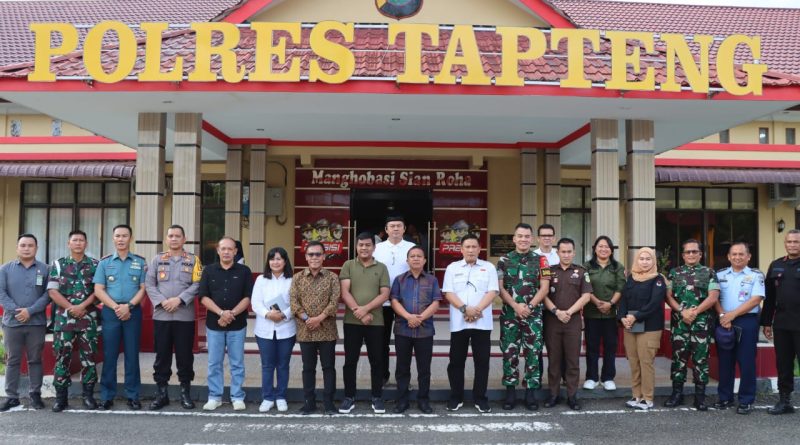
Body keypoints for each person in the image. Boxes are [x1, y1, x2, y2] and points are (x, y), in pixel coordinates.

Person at [144, 224, 202, 410]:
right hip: (162, 315)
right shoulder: (157, 259)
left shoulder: (193, 260)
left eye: (178, 236)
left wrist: (179, 299)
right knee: (162, 356)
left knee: (185, 357)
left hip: (184, 315)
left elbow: (198, 283)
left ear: (184, 239)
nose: (174, 239)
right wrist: (163, 301)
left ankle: (185, 393)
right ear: (166, 239)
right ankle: (162, 394)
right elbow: (149, 284)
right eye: (171, 236)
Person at [497, 222, 550, 411]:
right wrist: (515, 306)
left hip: (533, 315)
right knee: (509, 353)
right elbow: (500, 288)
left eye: (527, 236)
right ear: (514, 238)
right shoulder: (504, 260)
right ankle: (510, 392)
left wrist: (528, 306)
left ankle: (530, 393)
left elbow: (544, 287)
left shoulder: (542, 260)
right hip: (510, 315)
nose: (523, 239)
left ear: (532, 239)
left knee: (533, 353)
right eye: (520, 236)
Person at [443, 233, 499, 413]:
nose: (471, 250)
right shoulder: (452, 268)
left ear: (479, 249)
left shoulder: (489, 267)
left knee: (482, 362)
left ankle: (480, 398)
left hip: (482, 324)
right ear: (461, 249)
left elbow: (492, 292)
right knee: (456, 362)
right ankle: (456, 396)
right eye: (467, 247)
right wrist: (464, 309)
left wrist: (476, 311)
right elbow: (448, 293)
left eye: (474, 247)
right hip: (459, 323)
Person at [93, 224, 147, 410]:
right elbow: (98, 290)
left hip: (133, 312)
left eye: (125, 235)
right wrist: (117, 307)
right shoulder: (104, 263)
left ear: (130, 238)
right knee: (110, 355)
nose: (121, 239)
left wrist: (129, 306)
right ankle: (107, 396)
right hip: (111, 312)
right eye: (118, 236)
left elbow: (143, 289)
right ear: (113, 238)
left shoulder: (140, 262)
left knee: (132, 355)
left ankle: (133, 395)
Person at [663, 239, 719, 411]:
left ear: (700, 254)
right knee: (679, 359)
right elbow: (668, 296)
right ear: (683, 255)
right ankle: (677, 394)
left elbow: (713, 296)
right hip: (679, 324)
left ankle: (700, 397)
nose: (691, 255)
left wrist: (695, 312)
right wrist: (682, 311)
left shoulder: (709, 272)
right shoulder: (674, 272)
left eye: (695, 252)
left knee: (700, 360)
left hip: (701, 325)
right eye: (688, 252)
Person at [198, 237, 253, 411]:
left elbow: (247, 297)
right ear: (218, 250)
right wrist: (221, 313)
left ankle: (237, 396)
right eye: (223, 249)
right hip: (214, 325)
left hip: (237, 325)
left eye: (230, 249)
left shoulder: (244, 271)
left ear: (236, 251)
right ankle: (215, 396)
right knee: (214, 363)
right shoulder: (208, 271)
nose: (227, 252)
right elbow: (203, 297)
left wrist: (231, 314)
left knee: (237, 363)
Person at [48, 230, 100, 412]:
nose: (78, 243)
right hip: (64, 321)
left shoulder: (95, 265)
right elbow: (53, 291)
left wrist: (82, 307)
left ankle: (88, 396)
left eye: (81, 240)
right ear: (68, 244)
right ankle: (61, 398)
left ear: (86, 244)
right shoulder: (58, 265)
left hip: (88, 320)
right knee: (62, 358)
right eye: (74, 240)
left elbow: (98, 291)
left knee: (89, 358)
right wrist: (71, 308)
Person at [339, 232, 390, 414]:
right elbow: (344, 292)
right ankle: (349, 397)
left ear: (374, 247)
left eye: (368, 245)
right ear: (356, 246)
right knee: (350, 361)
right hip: (352, 322)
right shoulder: (348, 265)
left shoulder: (382, 268)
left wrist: (366, 310)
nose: (364, 248)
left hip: (375, 322)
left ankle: (377, 397)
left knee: (376, 361)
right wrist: (359, 313)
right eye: (361, 245)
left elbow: (384, 294)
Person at [290, 241, 340, 415]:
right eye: (311, 254)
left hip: (327, 330)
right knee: (308, 368)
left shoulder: (332, 277)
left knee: (328, 367)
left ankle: (329, 403)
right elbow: (294, 303)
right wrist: (307, 319)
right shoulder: (297, 278)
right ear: (306, 257)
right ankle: (309, 402)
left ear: (324, 256)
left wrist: (319, 318)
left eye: (318, 254)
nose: (314, 258)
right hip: (305, 330)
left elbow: (334, 302)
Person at [714, 241, 765, 415]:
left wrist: (732, 315)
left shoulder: (756, 275)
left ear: (748, 256)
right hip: (724, 322)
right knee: (725, 362)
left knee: (747, 361)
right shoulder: (719, 275)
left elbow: (756, 299)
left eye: (741, 254)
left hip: (747, 322)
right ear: (728, 256)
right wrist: (723, 316)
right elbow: (715, 298)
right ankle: (725, 397)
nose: (737, 257)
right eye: (734, 254)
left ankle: (746, 400)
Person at [390, 245, 442, 414]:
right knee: (402, 368)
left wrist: (420, 318)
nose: (416, 258)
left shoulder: (432, 280)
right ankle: (402, 400)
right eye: (412, 256)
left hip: (425, 330)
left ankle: (423, 400)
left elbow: (436, 302)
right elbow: (394, 301)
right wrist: (408, 317)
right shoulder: (399, 279)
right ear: (407, 260)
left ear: (424, 260)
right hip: (402, 330)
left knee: (424, 369)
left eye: (419, 256)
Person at [0, 234, 49, 411]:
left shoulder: (45, 269)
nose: (26, 248)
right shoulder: (5, 269)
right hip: (12, 323)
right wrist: (16, 311)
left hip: (36, 323)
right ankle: (12, 396)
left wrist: (30, 311)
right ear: (17, 248)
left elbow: (48, 295)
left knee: (35, 359)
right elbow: (1, 293)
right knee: (12, 359)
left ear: (36, 248)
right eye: (23, 245)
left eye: (30, 245)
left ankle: (35, 394)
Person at [543, 238, 592, 411]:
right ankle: (553, 394)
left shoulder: (581, 271)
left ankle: (572, 396)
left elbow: (586, 296)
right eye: (563, 251)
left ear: (574, 252)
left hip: (573, 322)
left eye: (569, 251)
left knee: (572, 360)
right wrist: (557, 311)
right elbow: (543, 294)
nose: (566, 254)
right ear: (557, 253)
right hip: (552, 321)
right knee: (554, 359)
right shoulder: (549, 271)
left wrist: (569, 312)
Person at [618, 247, 666, 411]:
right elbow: (623, 299)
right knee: (634, 362)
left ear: (653, 261)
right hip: (630, 326)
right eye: (641, 258)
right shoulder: (631, 278)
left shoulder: (658, 279)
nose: (644, 262)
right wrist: (622, 317)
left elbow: (654, 303)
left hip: (650, 327)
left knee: (646, 362)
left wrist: (636, 316)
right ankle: (636, 395)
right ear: (636, 260)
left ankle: (647, 398)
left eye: (648, 259)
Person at [373, 215, 416, 386]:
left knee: (404, 343)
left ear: (404, 229)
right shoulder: (377, 248)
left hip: (405, 302)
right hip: (382, 302)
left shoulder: (412, 247)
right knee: (381, 341)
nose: (396, 229)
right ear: (386, 229)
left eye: (399, 226)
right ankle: (383, 376)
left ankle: (403, 379)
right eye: (392, 226)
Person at [251, 247, 295, 413]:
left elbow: (296, 302)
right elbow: (255, 303)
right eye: (272, 259)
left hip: (286, 329)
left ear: (285, 261)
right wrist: (268, 314)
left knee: (283, 364)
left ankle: (281, 396)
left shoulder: (292, 280)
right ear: (268, 262)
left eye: (279, 259)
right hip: (265, 330)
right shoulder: (261, 280)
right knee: (267, 365)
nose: (275, 262)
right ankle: (268, 397)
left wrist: (283, 315)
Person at [762, 229, 800, 415]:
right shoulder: (776, 265)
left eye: (796, 242)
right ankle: (784, 401)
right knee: (783, 364)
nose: (792, 245)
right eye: (789, 241)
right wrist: (766, 322)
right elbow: (769, 298)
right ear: (785, 243)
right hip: (782, 323)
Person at [583, 236, 625, 392]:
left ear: (611, 250)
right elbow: (585, 287)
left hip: (611, 314)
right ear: (595, 248)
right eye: (600, 246)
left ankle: (608, 378)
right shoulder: (587, 266)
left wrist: (611, 304)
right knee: (592, 347)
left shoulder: (617, 267)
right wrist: (596, 302)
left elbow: (621, 288)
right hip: (591, 313)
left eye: (607, 247)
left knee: (610, 346)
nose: (603, 249)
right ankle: (591, 377)